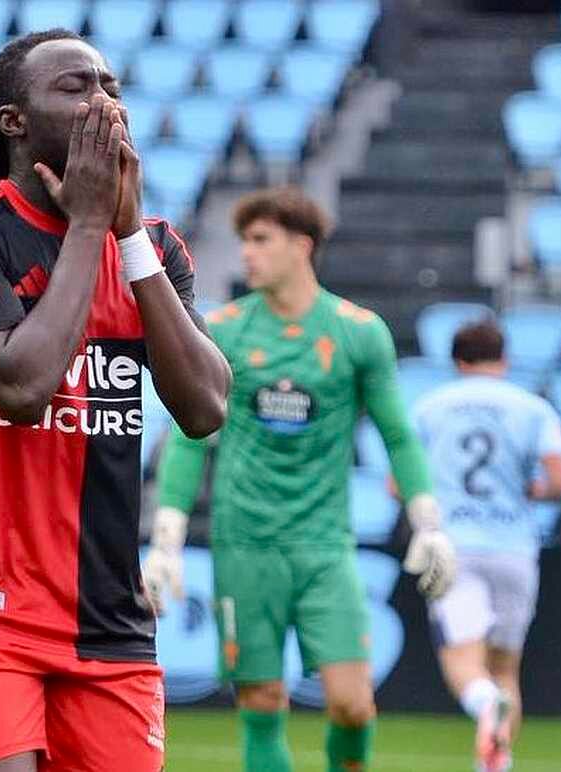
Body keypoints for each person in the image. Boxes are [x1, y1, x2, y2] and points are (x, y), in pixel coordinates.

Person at [0, 29, 232, 772]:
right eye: (75, 87)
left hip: (108, 624)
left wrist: (125, 237)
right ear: (14, 121)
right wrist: (87, 224)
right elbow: (20, 387)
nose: (103, 103)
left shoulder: (154, 247)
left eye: (110, 86)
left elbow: (206, 407)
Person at [144, 186, 457, 772]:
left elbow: (397, 435)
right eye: (243, 241)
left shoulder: (358, 332)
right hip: (245, 546)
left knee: (353, 705)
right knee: (262, 700)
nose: (247, 255)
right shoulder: (226, 330)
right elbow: (191, 438)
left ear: (301, 246)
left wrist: (429, 522)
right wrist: (167, 538)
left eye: (260, 240)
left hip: (324, 549)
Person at [405, 320, 561, 772]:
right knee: (504, 670)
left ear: (457, 360)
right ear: (505, 359)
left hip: (453, 549)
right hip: (514, 550)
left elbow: (396, 483)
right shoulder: (532, 408)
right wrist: (527, 491)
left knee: (464, 662)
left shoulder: (429, 408)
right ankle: (495, 763)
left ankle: (484, 706)